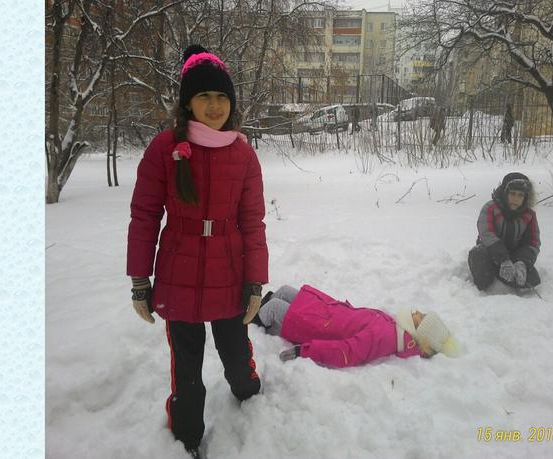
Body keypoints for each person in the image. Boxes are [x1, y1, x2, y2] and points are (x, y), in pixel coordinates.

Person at [126, 44, 268, 458]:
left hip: (228, 270)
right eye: (204, 96)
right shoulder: (164, 148)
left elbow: (253, 223)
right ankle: (187, 439)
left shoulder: (242, 152)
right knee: (186, 371)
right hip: (178, 274)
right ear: (187, 102)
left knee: (237, 356)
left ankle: (253, 402)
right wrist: (139, 280)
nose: (214, 105)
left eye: (222, 97)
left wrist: (255, 282)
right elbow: (144, 216)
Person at [250, 284, 460, 368]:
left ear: (419, 334)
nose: (417, 312)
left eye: (420, 318)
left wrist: (305, 350)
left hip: (320, 327)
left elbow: (348, 352)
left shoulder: (387, 337)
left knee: (274, 307)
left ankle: (249, 321)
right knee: (285, 290)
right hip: (326, 313)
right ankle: (258, 308)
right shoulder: (396, 327)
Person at [468, 172, 541, 291]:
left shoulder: (529, 215)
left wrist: (522, 262)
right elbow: (486, 234)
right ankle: (490, 288)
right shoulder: (490, 208)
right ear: (505, 193)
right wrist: (503, 260)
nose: (516, 199)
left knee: (533, 280)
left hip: (514, 255)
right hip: (490, 252)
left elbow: (533, 242)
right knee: (478, 256)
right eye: (512, 193)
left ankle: (509, 276)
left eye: (520, 195)